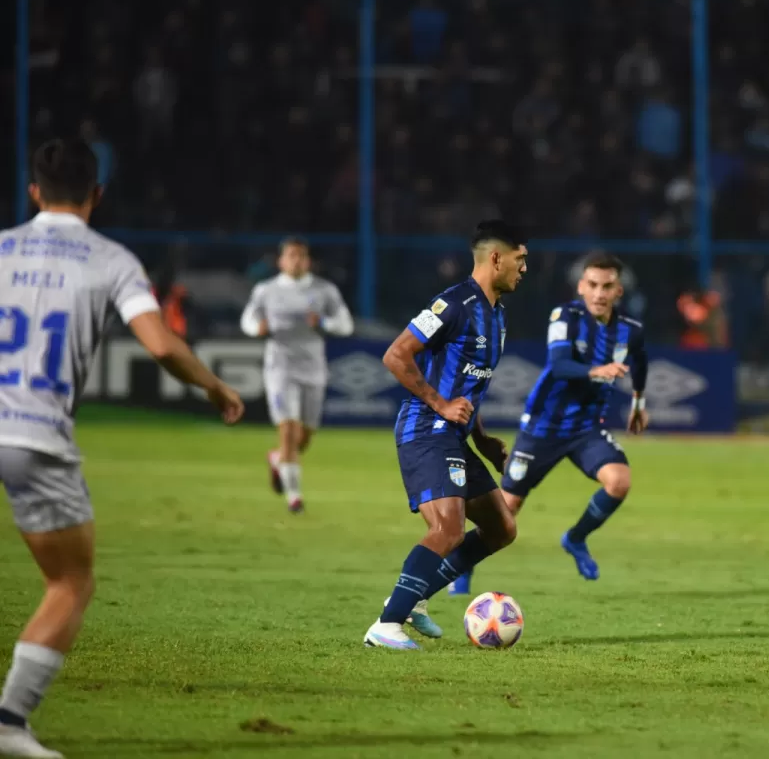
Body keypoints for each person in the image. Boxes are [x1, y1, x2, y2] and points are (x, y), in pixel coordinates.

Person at [0, 138, 244, 759]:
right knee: (70, 581)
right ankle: (8, 722)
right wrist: (214, 387)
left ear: (33, 191)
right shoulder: (110, 259)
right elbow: (161, 346)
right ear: (96, 194)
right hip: (35, 436)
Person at [362, 220, 527, 651]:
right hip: (426, 429)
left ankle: (414, 595)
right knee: (447, 528)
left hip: (456, 435)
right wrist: (439, 404)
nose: (524, 268)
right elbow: (395, 355)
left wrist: (483, 438)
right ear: (496, 258)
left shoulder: (498, 316)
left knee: (501, 528)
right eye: (520, 259)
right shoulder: (452, 305)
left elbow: (468, 390)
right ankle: (386, 624)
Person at [445, 251, 649, 599]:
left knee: (619, 481)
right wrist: (595, 371)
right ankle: (461, 567)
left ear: (619, 291)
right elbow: (558, 365)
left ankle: (575, 538)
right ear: (581, 287)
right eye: (593, 285)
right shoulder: (565, 316)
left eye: (607, 286)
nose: (599, 293)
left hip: (585, 429)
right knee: (505, 512)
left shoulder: (630, 330)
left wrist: (638, 402)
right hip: (542, 428)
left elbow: (641, 359)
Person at [240, 237, 354, 514]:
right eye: (291, 255)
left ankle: (277, 458)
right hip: (280, 369)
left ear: (308, 260)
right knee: (289, 431)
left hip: (313, 369)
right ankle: (294, 497)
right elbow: (248, 319)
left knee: (304, 438)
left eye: (301, 256)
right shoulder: (266, 290)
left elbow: (346, 324)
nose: (296, 261)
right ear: (281, 261)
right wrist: (258, 328)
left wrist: (325, 322)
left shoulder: (324, 290)